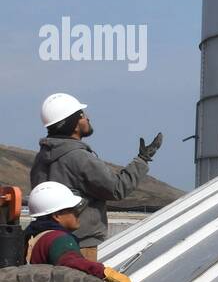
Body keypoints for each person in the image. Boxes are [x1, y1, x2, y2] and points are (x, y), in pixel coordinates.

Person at [31, 93, 162, 260]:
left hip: (47, 241)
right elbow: (117, 189)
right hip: (79, 245)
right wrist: (142, 160)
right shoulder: (79, 157)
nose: (88, 118)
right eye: (82, 115)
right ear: (73, 124)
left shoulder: (42, 157)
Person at [24, 182, 134, 282]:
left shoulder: (33, 234)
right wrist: (104, 272)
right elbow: (70, 261)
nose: (77, 213)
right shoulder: (59, 238)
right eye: (72, 209)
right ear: (57, 216)